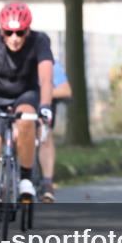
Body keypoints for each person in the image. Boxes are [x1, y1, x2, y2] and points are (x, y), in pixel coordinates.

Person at [0, 2, 53, 237]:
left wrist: (45, 107)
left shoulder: (40, 41)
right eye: (9, 32)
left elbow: (46, 78)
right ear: (1, 31)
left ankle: (25, 178)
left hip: (25, 94)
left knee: (26, 121)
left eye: (20, 32)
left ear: (28, 30)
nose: (14, 38)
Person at [38, 59, 72, 202]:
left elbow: (66, 90)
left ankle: (47, 183)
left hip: (42, 107)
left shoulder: (50, 64)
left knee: (45, 136)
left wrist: (43, 93)